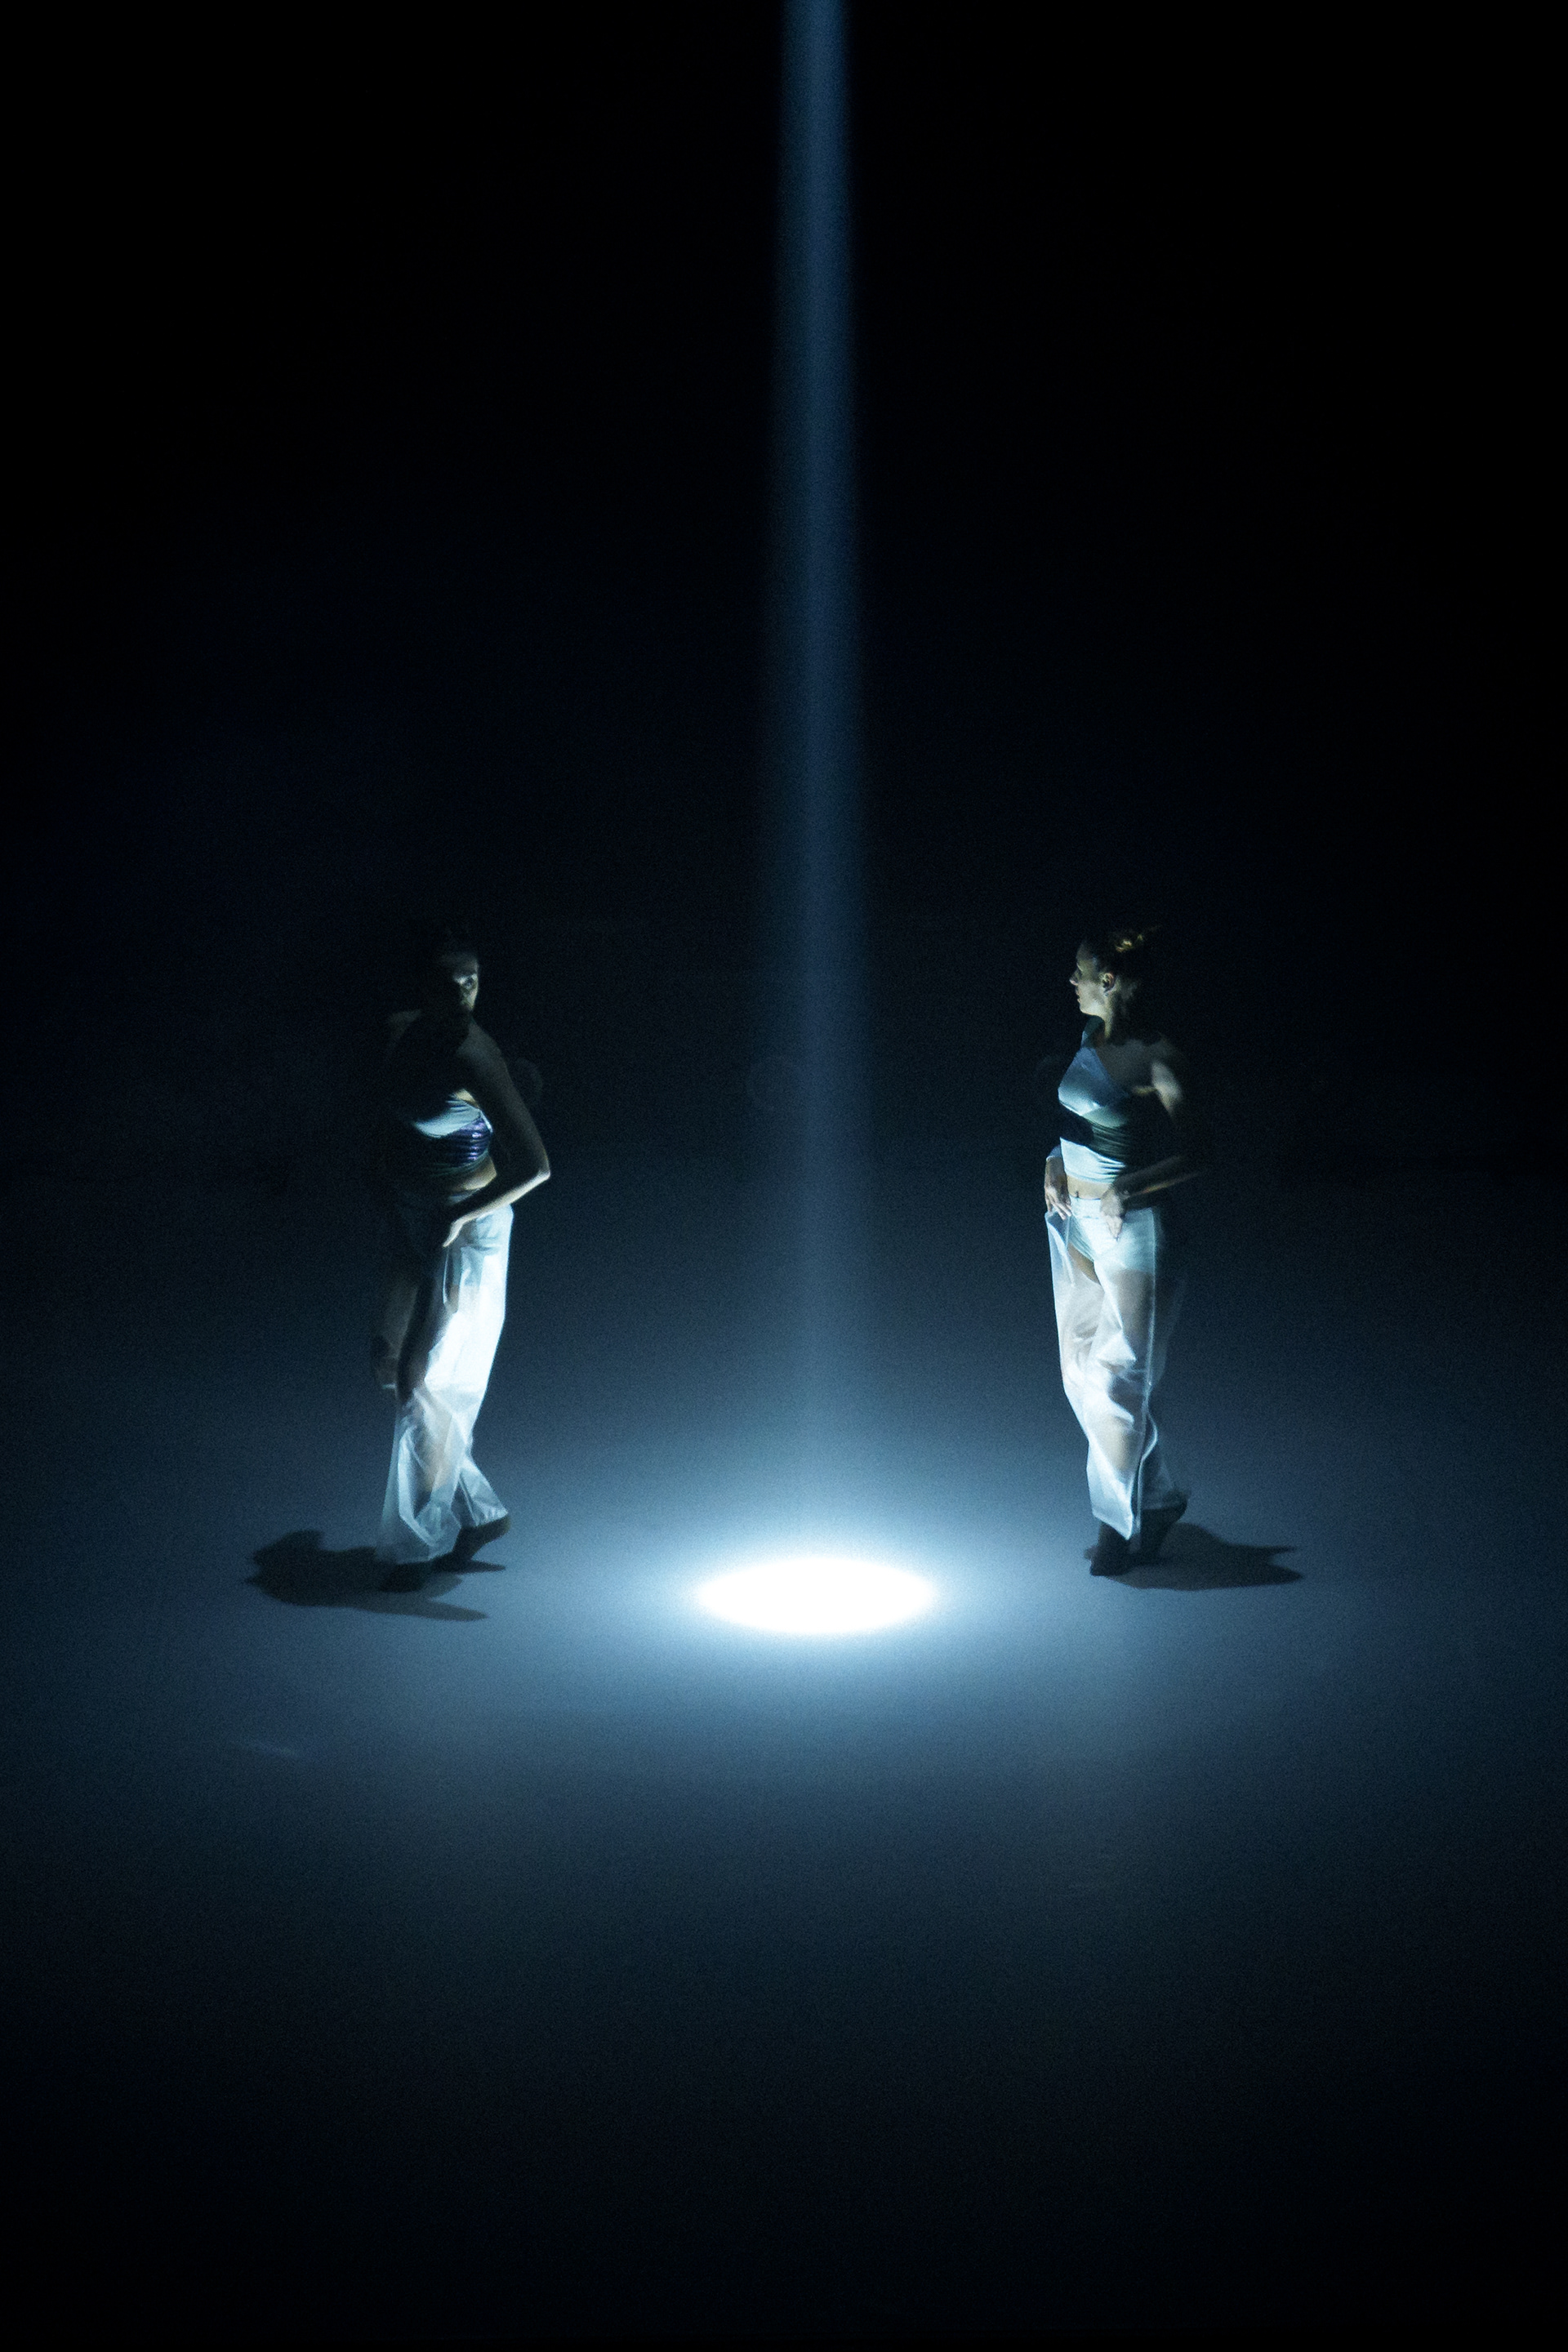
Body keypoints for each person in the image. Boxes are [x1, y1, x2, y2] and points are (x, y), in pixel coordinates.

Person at [371, 929, 550, 1591]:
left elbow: (535, 1166)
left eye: (471, 981)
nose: (461, 996)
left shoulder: (476, 1057)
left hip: (467, 1229)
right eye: (447, 984)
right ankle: (480, 1512)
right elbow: (387, 1122)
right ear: (422, 989)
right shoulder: (399, 1034)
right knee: (391, 1365)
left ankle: (415, 1546)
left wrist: (457, 1216)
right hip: (413, 1216)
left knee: (422, 1381)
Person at [1044, 927, 1209, 1576]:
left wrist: (1131, 1186)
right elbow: (1081, 1120)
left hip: (1134, 1232)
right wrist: (1054, 1160)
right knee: (1080, 1373)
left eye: (1081, 972)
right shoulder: (1091, 1036)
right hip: (1075, 1223)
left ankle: (1116, 1526)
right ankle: (1159, 1498)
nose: (1072, 982)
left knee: (1118, 1381)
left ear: (1108, 981)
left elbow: (1201, 1152)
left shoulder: (1160, 1058)